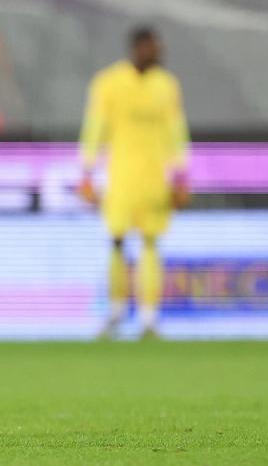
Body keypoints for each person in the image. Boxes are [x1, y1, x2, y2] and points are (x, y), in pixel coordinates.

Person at [78, 27, 191, 340]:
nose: (158, 52)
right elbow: (94, 128)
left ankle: (149, 318)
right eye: (154, 47)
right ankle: (115, 313)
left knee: (151, 243)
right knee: (116, 241)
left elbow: (176, 132)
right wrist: (86, 172)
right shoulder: (109, 83)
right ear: (138, 48)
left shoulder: (167, 85)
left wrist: (181, 176)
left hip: (155, 179)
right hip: (121, 176)